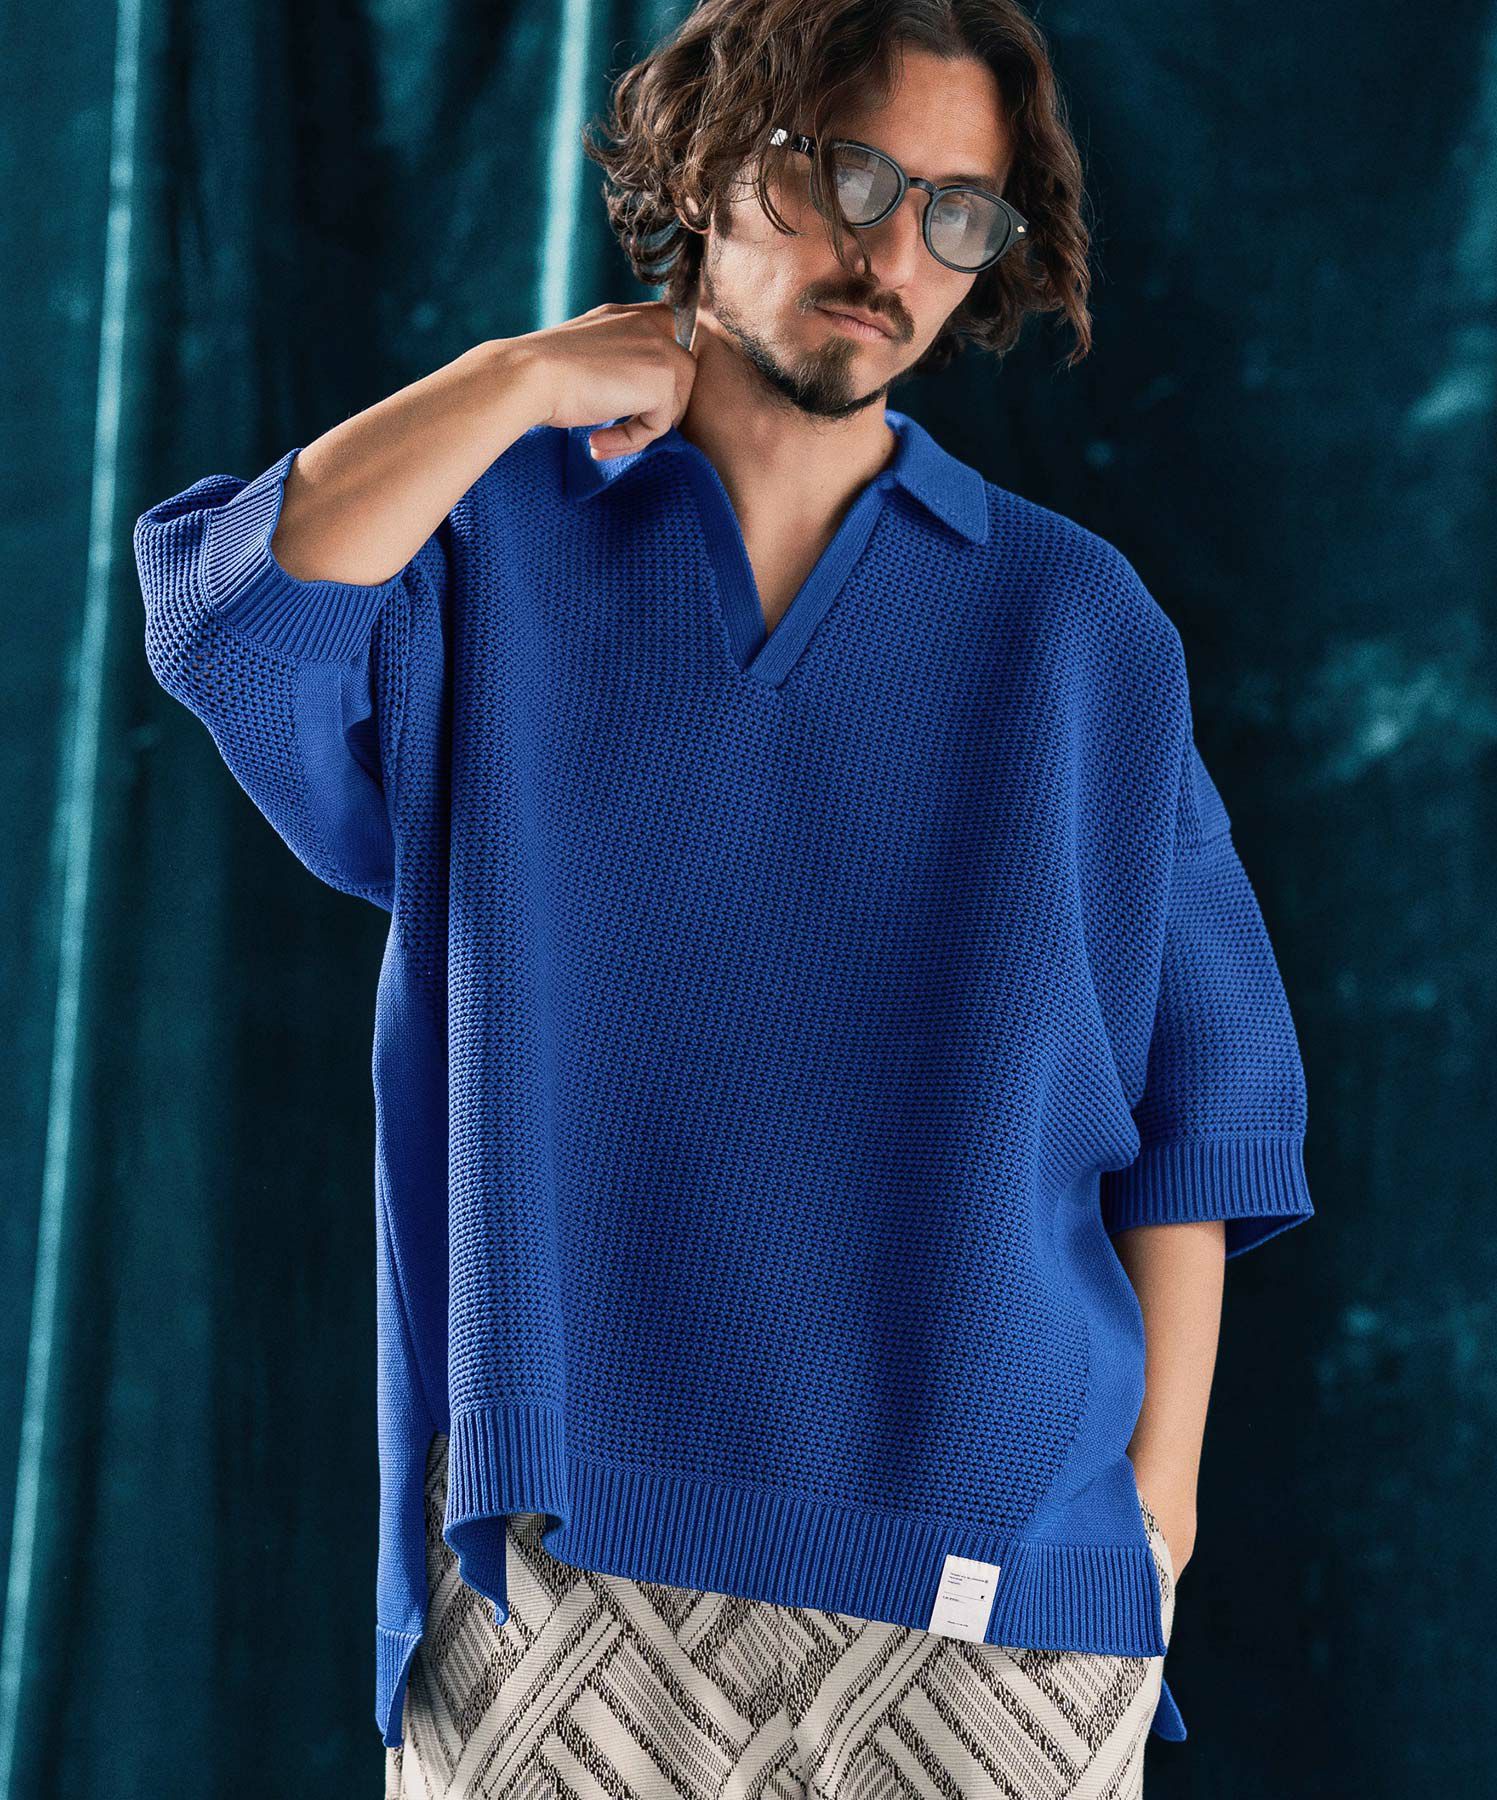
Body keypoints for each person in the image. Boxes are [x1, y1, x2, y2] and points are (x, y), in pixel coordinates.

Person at [132, 1, 1315, 1794]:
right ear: (704, 165)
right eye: (848, 174)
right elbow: (229, 623)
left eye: (957, 211)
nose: (891, 254)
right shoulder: (492, 541)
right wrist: (517, 380)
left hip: (998, 1604)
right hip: (560, 1569)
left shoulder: (1076, 629)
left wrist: (1159, 1514)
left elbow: (1207, 1103)